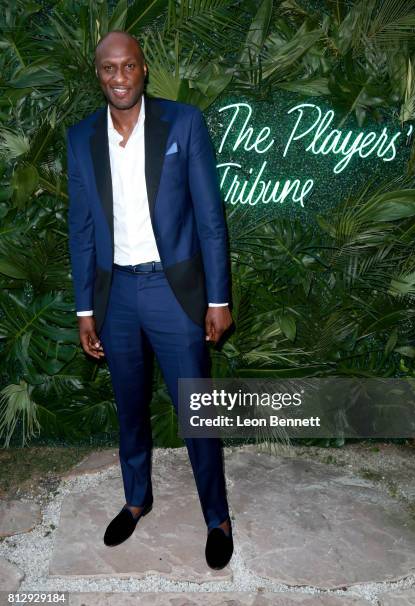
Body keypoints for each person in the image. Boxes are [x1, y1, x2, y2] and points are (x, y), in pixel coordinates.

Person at [66, 30, 234, 570]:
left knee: (197, 411)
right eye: (109, 68)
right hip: (116, 295)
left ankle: (217, 517)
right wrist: (85, 309)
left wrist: (218, 297)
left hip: (173, 291)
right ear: (100, 74)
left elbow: (210, 219)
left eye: (129, 66)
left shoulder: (183, 123)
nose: (119, 77)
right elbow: (81, 228)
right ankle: (137, 499)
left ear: (144, 69)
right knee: (130, 408)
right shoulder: (81, 138)